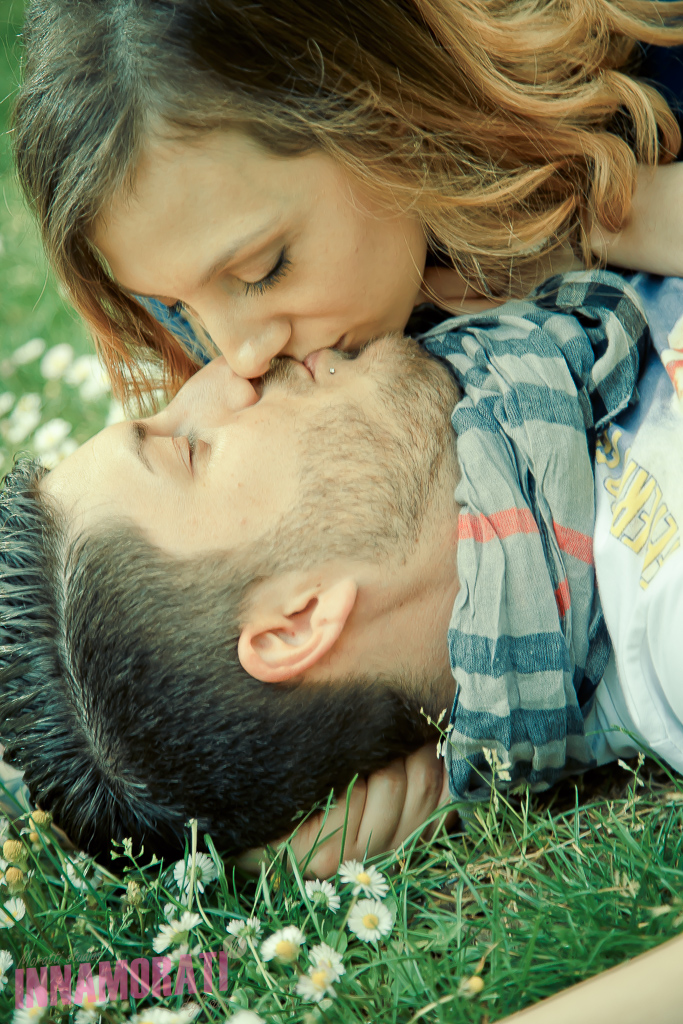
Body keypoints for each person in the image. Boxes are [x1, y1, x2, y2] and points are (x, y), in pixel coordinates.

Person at [3, 267, 678, 869]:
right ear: (296, 623)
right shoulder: (663, 619)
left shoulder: (441, 291)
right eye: (188, 448)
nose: (226, 371)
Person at [10, 0, 683, 400]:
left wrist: (611, 215)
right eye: (175, 306)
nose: (239, 359)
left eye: (263, 271)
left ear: (381, 105)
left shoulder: (653, 58)